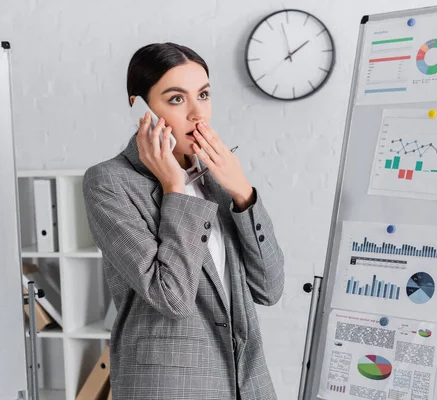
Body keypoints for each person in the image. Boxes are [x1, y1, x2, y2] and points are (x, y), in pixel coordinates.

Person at [82, 42, 285, 400]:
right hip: (170, 388)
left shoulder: (216, 176)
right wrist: (174, 188)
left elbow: (269, 289)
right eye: (176, 99)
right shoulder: (109, 182)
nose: (197, 113)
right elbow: (171, 297)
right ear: (140, 107)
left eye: (203, 95)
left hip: (246, 380)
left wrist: (242, 193)